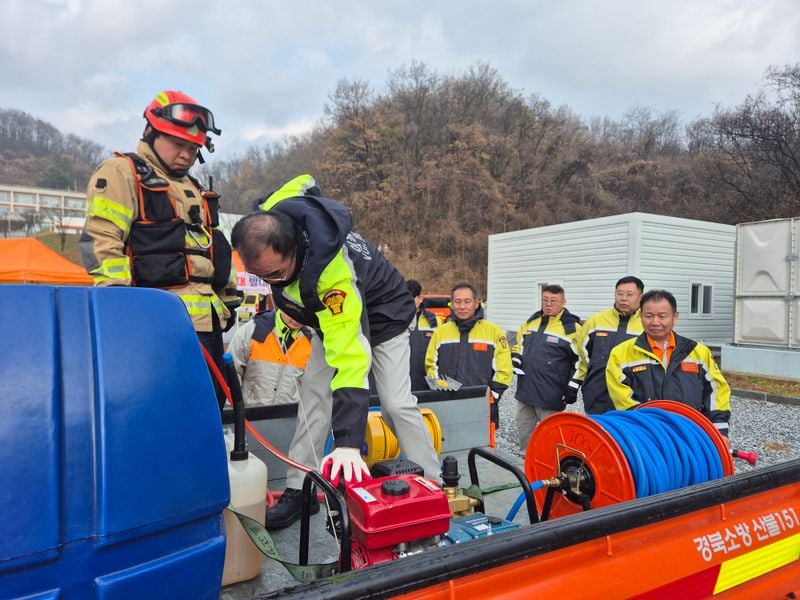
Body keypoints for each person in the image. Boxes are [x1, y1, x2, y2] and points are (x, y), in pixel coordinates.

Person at [231, 175, 441, 528]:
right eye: (263, 278)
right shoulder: (275, 211)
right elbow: (303, 181)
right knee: (314, 394)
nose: (275, 284)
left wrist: (347, 442)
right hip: (331, 322)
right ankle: (300, 491)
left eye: (278, 274)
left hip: (384, 314)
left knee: (395, 402)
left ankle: (433, 484)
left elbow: (350, 359)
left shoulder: (331, 279)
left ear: (293, 249)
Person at [79, 90, 239, 411]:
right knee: (162, 410)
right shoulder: (122, 173)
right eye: (177, 144)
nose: (185, 154)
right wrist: (120, 305)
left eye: (193, 148)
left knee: (208, 409)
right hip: (156, 323)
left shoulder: (195, 188)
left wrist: (229, 297)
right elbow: (102, 239)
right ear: (151, 133)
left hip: (206, 323)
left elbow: (216, 248)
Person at [606, 289, 731, 439]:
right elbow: (621, 398)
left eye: (662, 316)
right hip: (645, 435)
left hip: (693, 433)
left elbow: (717, 390)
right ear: (640, 317)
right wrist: (650, 427)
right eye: (649, 316)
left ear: (675, 317)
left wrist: (720, 429)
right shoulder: (621, 354)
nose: (655, 322)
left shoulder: (698, 352)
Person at [425, 282, 512, 430]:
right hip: (448, 402)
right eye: (457, 302)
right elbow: (430, 364)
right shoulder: (441, 332)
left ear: (476, 303)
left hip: (481, 403)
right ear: (451, 304)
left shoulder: (494, 331)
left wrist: (493, 396)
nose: (462, 307)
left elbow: (504, 369)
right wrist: (440, 389)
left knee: (481, 446)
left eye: (467, 301)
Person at [511, 285, 582, 453]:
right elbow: (518, 345)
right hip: (526, 390)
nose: (548, 304)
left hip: (551, 393)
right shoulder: (531, 322)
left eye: (553, 301)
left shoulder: (572, 328)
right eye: (545, 300)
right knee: (523, 428)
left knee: (552, 436)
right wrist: (516, 359)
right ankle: (524, 462)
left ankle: (550, 467)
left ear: (563, 302)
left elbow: (582, 362)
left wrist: (573, 387)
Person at [574, 276, 645, 414]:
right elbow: (581, 354)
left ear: (640, 297)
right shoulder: (596, 321)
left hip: (631, 399)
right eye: (619, 293)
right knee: (595, 433)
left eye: (629, 294)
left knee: (624, 434)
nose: (623, 298)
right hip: (596, 394)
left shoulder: (646, 324)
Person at [227, 309, 313, 407]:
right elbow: (231, 375)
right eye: (294, 310)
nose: (298, 318)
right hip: (250, 416)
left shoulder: (311, 342)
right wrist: (232, 414)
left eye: (303, 311)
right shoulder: (253, 330)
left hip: (289, 418)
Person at [406, 279, 440, 392]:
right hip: (400, 384)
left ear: (420, 298)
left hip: (427, 385)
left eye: (411, 299)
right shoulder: (394, 321)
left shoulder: (435, 322)